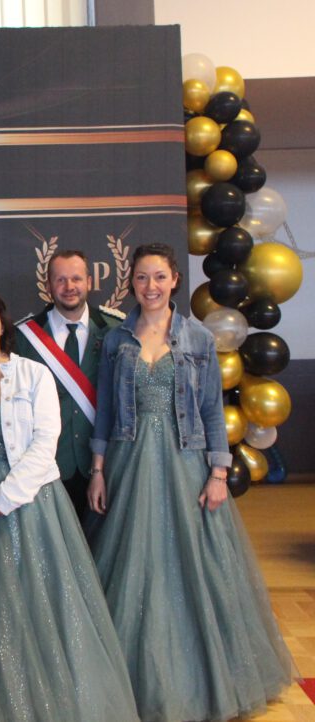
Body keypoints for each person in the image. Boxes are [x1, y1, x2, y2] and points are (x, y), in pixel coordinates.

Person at [86, 243, 293, 722]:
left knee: (195, 568)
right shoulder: (116, 340)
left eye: (159, 277)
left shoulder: (197, 337)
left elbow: (211, 412)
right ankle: (128, 682)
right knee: (130, 566)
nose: (151, 286)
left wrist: (218, 473)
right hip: (128, 462)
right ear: (131, 282)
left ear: (175, 279)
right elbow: (106, 412)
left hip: (185, 463)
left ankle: (203, 680)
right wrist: (97, 470)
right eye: (142, 277)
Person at [0, 288, 138, 722]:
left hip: (28, 509)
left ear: (2, 326)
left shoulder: (33, 375)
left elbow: (45, 442)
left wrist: (4, 498)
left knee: (32, 611)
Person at [14, 250, 123, 518]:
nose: (69, 286)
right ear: (48, 285)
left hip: (105, 466)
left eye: (76, 278)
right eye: (60, 280)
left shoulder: (115, 330)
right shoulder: (24, 337)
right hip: (48, 469)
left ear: (89, 282)